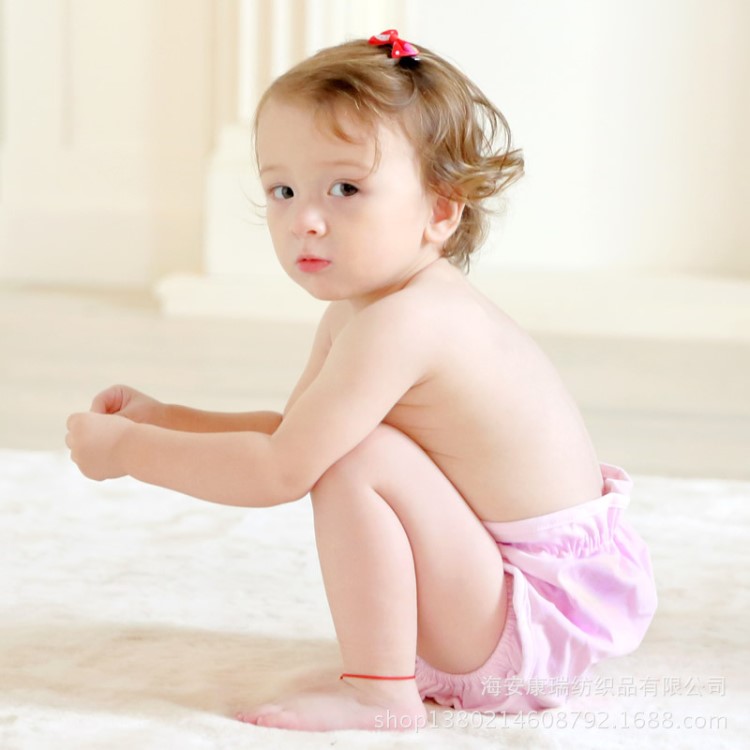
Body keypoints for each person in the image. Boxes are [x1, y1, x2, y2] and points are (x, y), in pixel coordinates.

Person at [66, 30, 657, 732]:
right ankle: (390, 675)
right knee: (341, 443)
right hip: (500, 599)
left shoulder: (407, 322)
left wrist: (128, 452)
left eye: (346, 188)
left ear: (441, 210)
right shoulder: (365, 310)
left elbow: (280, 470)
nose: (305, 220)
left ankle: (381, 694)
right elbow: (293, 435)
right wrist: (164, 418)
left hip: (527, 620)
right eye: (283, 190)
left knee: (357, 455)